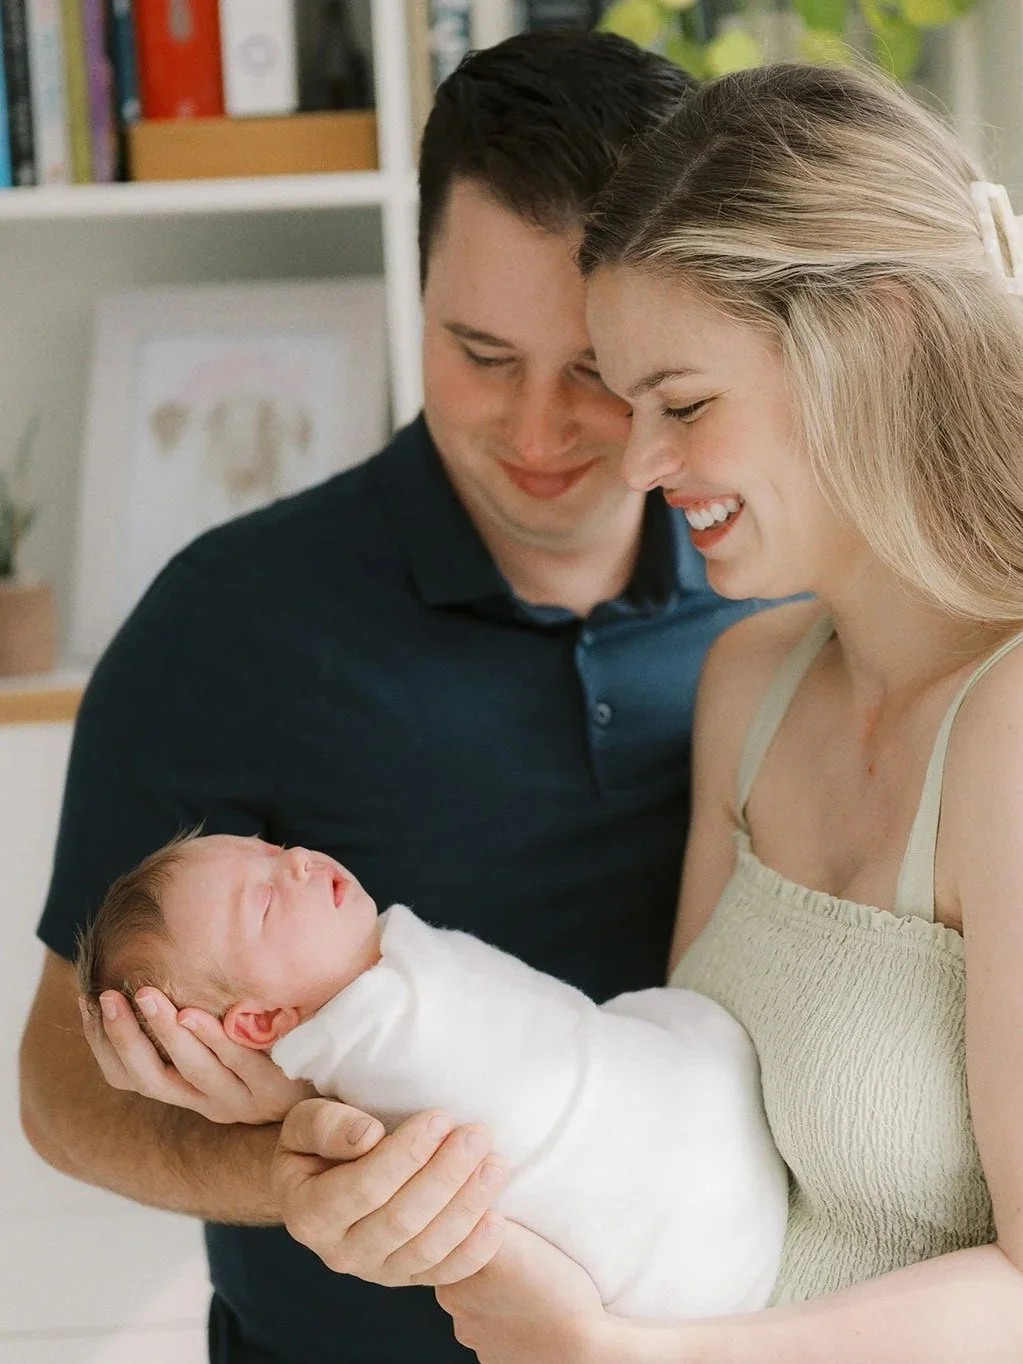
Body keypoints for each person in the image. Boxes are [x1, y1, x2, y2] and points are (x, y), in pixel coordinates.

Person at [18, 30, 763, 1364]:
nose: (536, 434)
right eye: (478, 352)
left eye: (591, 367)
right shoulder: (227, 622)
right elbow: (60, 1092)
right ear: (415, 289)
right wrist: (286, 1175)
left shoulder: (777, 590)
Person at [429, 61, 1023, 1364]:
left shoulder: (1007, 731)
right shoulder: (745, 690)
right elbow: (664, 1124)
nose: (638, 466)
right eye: (629, 406)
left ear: (882, 333)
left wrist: (630, 1358)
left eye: (681, 404)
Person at [76, 830, 787, 1319]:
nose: (295, 864)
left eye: (275, 849)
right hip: (680, 1246)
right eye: (262, 902)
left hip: (681, 1108)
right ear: (260, 1026)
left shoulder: (388, 969)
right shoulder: (375, 1054)